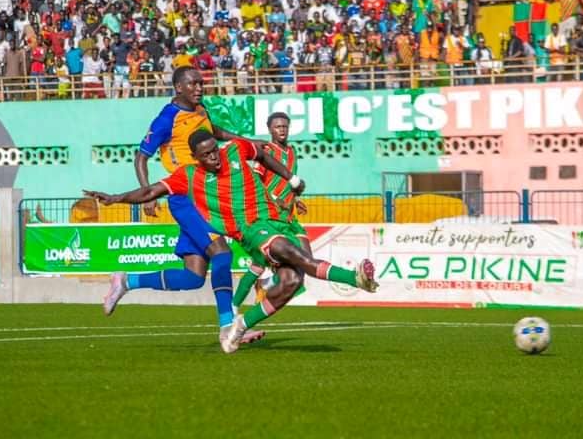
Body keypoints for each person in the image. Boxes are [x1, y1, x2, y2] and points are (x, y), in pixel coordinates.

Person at [85, 130, 378, 354]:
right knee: (280, 252)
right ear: (196, 158)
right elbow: (150, 192)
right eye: (207, 155)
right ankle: (354, 278)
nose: (214, 157)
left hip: (278, 219)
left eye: (215, 150)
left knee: (288, 282)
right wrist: (115, 198)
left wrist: (291, 178)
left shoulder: (236, 150)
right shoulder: (187, 175)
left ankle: (238, 325)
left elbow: (262, 155)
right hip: (251, 230)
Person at [129, 66, 263, 343]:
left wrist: (247, 143)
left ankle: (127, 281)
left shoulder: (201, 110)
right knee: (222, 254)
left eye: (201, 83)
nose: (199, 88)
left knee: (193, 276)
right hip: (185, 197)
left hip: (205, 194)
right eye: (193, 84)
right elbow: (140, 157)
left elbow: (216, 132)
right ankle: (228, 327)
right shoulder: (167, 118)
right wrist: (147, 194)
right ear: (178, 87)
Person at [233, 111, 311, 307]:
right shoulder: (266, 152)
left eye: (285, 126)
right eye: (277, 126)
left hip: (288, 214)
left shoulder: (292, 152)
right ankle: (239, 305)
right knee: (263, 264)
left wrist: (295, 199)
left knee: (303, 258)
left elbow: (286, 182)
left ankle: (266, 289)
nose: (282, 130)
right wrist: (276, 199)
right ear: (270, 129)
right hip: (270, 214)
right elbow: (256, 183)